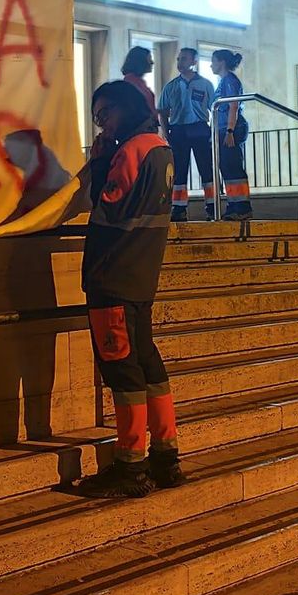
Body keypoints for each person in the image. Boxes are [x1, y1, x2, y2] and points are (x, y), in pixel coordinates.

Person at [73, 80, 185, 498]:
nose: (101, 123)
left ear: (123, 108)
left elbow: (109, 203)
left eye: (105, 114)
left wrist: (99, 163)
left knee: (122, 369)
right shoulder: (160, 146)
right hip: (140, 276)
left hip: (113, 275)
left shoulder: (132, 149)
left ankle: (130, 466)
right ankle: (165, 457)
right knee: (148, 366)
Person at [157, 47, 216, 222]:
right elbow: (162, 110)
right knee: (179, 171)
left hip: (199, 128)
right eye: (178, 59)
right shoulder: (172, 86)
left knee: (206, 168)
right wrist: (165, 130)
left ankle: (212, 206)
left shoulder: (205, 84)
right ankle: (179, 208)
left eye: (184, 59)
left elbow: (215, 107)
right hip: (178, 130)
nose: (180, 62)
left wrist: (212, 130)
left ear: (194, 62)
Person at [210, 49, 253, 222]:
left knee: (233, 167)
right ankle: (234, 204)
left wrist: (229, 131)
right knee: (226, 168)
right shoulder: (223, 81)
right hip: (222, 129)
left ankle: (242, 206)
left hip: (231, 129)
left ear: (221, 62)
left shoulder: (230, 80)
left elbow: (233, 105)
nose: (211, 65)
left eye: (213, 61)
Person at [120, 46, 159, 126]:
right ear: (140, 61)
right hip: (140, 127)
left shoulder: (139, 82)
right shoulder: (131, 82)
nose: (152, 62)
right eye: (149, 59)